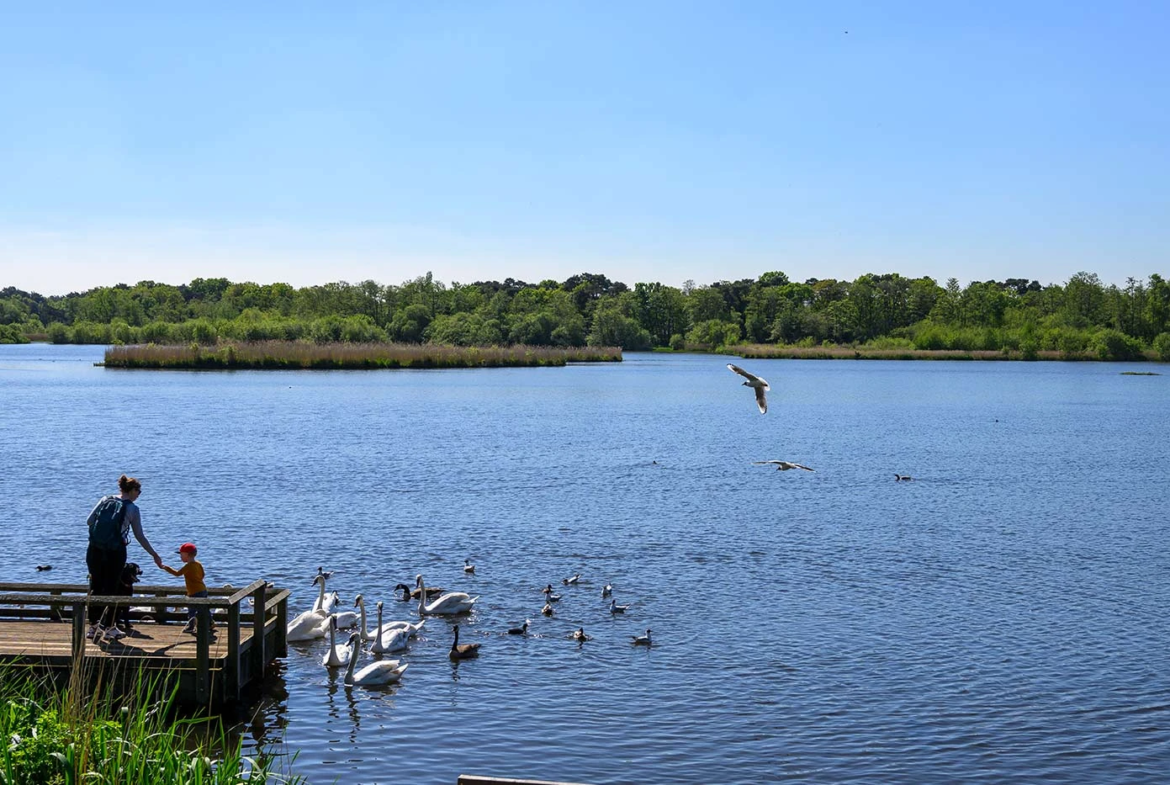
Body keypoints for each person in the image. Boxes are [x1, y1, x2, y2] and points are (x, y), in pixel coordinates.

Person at [85, 474, 163, 641]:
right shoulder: (133, 509)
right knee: (113, 588)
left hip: (94, 550)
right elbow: (139, 536)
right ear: (132, 490)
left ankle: (93, 627)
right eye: (139, 491)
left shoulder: (105, 500)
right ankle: (110, 627)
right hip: (116, 552)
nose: (139, 494)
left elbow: (89, 521)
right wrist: (154, 554)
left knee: (95, 586)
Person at [162, 542, 209, 634]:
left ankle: (191, 627)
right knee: (203, 608)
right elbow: (203, 575)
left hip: (194, 592)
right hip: (203, 589)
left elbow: (177, 573)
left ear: (187, 555)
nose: (180, 557)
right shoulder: (198, 564)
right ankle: (210, 623)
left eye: (181, 555)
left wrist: (166, 568)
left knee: (191, 610)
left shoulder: (188, 566)